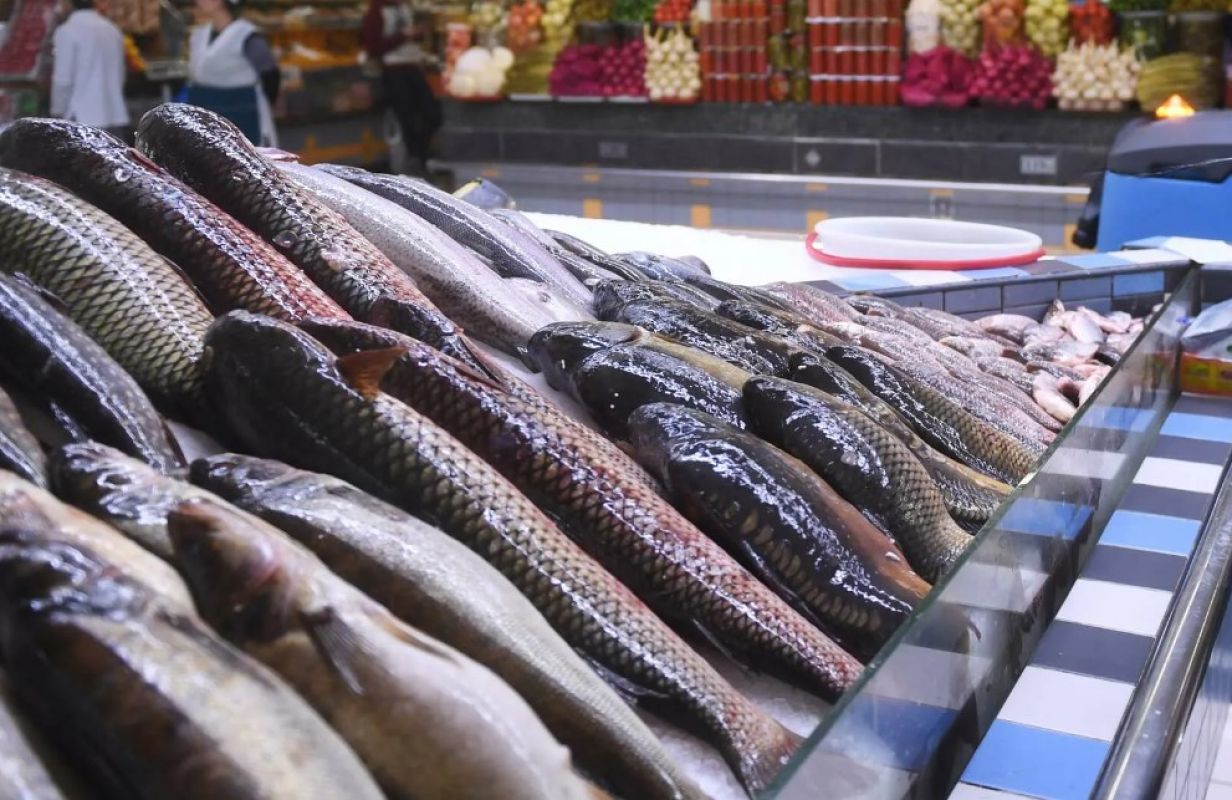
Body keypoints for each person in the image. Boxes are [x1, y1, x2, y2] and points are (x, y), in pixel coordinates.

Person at [362, 0, 442, 175]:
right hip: (393, 71)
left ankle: (419, 155)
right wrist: (404, 35)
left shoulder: (405, 7)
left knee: (433, 114)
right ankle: (416, 160)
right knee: (407, 118)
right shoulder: (376, 11)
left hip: (413, 67)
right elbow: (373, 47)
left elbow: (412, 38)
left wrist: (418, 33)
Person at [185, 0, 280, 145]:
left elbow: (270, 74)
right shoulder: (199, 34)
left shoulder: (247, 35)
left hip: (239, 113)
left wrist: (267, 105)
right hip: (204, 111)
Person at [51, 0, 130, 138]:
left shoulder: (67, 31)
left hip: (82, 119)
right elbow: (120, 75)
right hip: (114, 117)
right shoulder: (112, 29)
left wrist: (57, 111)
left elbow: (63, 81)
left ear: (69, 3)